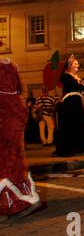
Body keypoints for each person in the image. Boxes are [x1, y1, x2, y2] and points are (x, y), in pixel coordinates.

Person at [0, 57, 42, 221]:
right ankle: (19, 200)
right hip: (15, 109)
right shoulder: (11, 64)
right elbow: (19, 88)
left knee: (4, 159)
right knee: (13, 156)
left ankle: (11, 204)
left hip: (3, 111)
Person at [53, 54, 84, 157]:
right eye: (75, 63)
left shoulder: (77, 78)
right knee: (74, 125)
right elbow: (76, 85)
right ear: (70, 66)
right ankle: (74, 148)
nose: (78, 65)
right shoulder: (66, 76)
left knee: (81, 124)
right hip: (70, 102)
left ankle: (82, 147)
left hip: (78, 101)